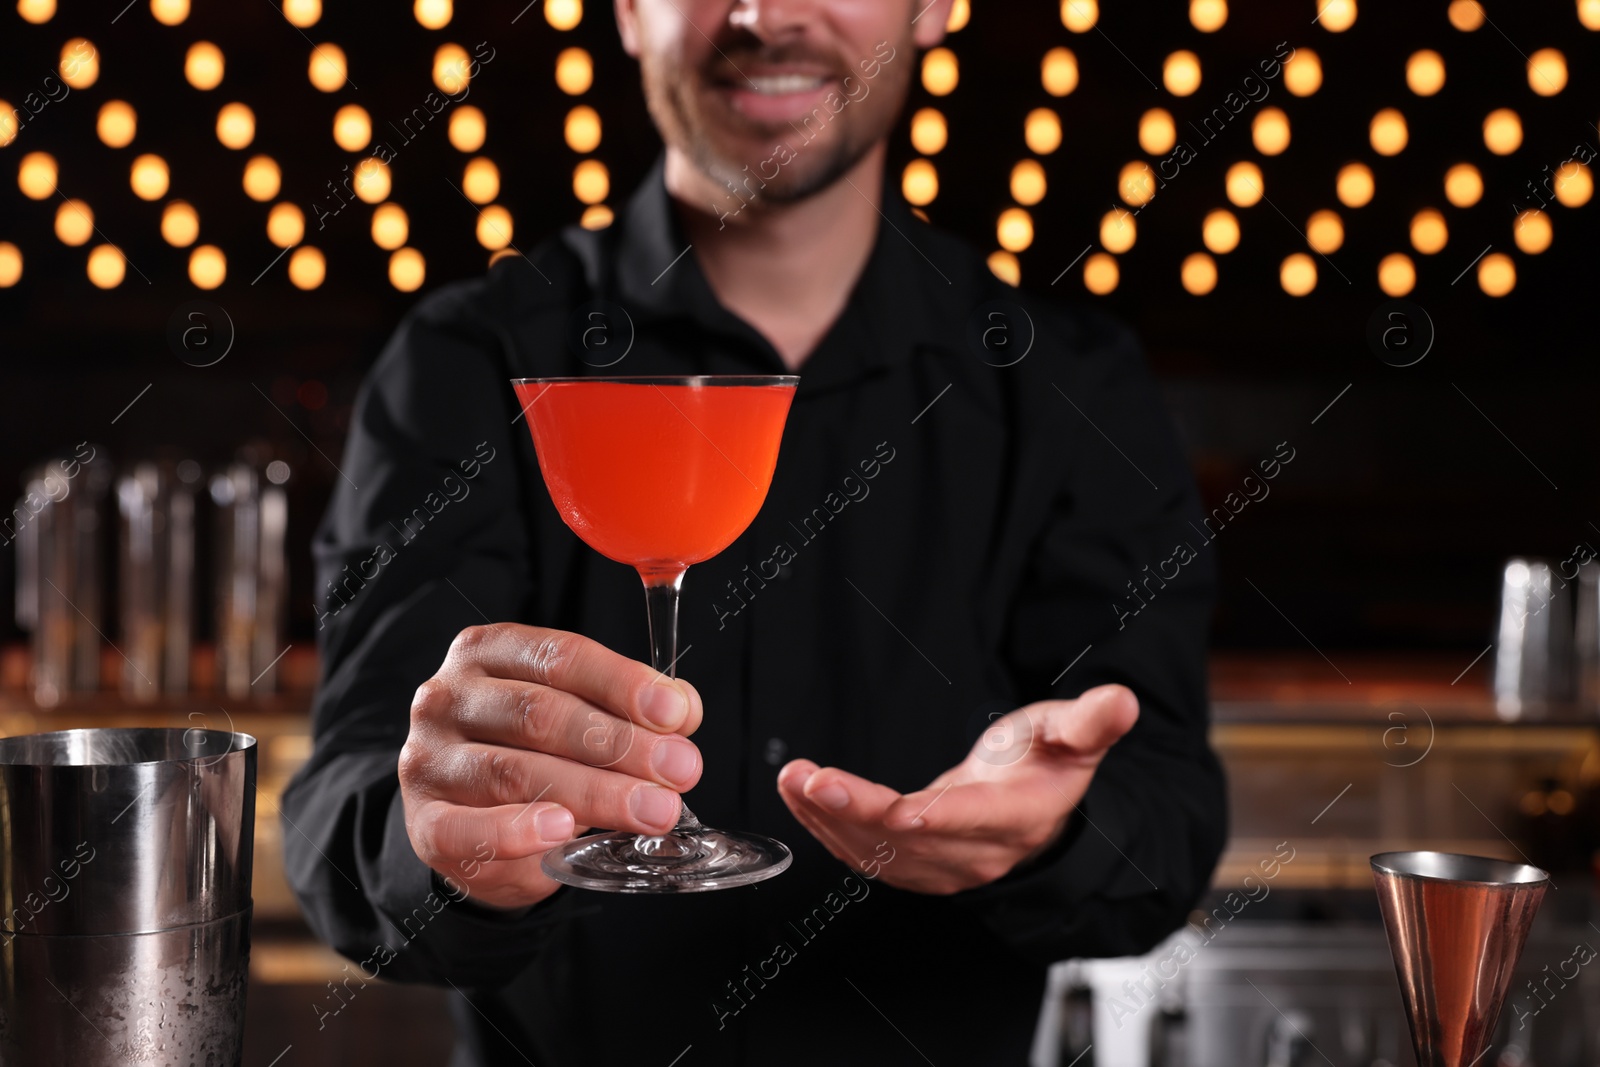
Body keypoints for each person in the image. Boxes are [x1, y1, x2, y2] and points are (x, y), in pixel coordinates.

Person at [282, 1, 1227, 1063]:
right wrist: (440, 836)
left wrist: (1058, 830)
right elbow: (341, 811)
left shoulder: (1070, 384)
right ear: (629, 13)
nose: (764, 15)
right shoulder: (467, 359)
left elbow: (1171, 821)